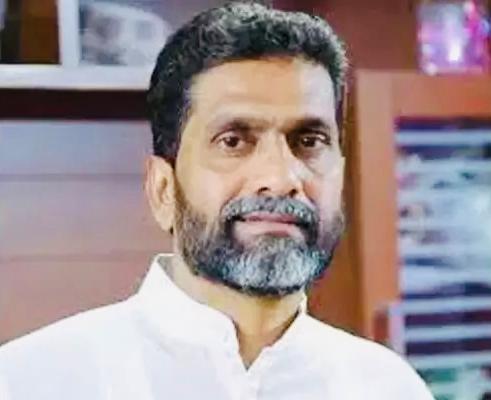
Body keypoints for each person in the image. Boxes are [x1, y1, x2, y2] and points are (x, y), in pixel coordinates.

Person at [0, 2, 434, 399]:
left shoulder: (389, 388)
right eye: (234, 141)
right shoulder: (33, 382)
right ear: (163, 190)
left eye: (308, 141)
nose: (281, 179)